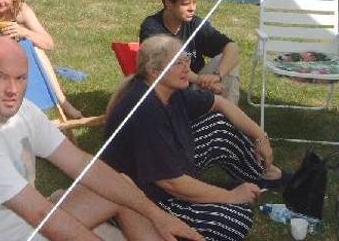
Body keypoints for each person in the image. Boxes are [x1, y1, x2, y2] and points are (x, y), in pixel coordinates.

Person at [0, 37, 203, 241]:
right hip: (17, 228)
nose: (12, 89)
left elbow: (83, 164)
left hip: (26, 226)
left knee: (121, 185)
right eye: (0, 77)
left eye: (20, 78)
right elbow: (43, 217)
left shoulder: (23, 112)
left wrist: (158, 215)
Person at [103, 35, 288, 241]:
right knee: (236, 219)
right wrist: (231, 196)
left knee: (218, 125)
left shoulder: (170, 91)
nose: (186, 68)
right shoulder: (145, 110)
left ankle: (262, 175)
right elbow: (171, 183)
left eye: (186, 60)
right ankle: (136, 230)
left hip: (167, 171)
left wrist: (260, 136)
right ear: (155, 72)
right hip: (145, 198)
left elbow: (220, 103)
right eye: (177, 63)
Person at [139, 0, 241, 104]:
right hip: (167, 90)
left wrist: (217, 76)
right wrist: (201, 81)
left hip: (196, 85)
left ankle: (227, 113)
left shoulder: (194, 24)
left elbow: (232, 48)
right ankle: (221, 109)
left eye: (194, 2)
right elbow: (167, 65)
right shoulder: (152, 27)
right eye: (185, 4)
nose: (192, 8)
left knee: (228, 59)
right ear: (168, 4)